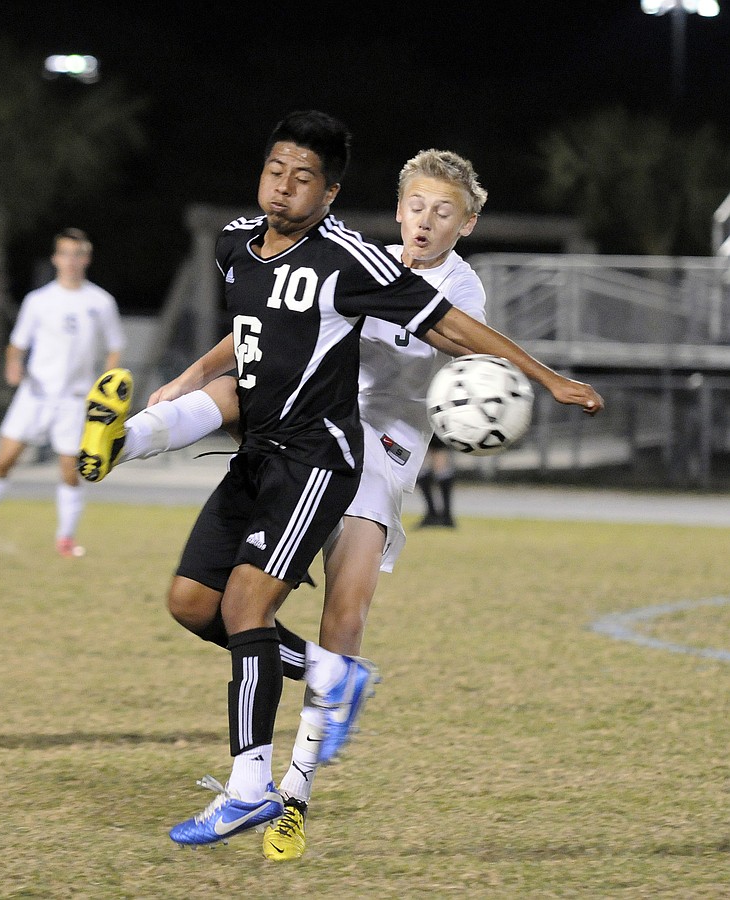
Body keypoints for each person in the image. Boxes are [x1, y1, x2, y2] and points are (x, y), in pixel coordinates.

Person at [79, 111, 604, 851]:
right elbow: (271, 319)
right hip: (311, 420)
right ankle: (121, 444)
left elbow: (454, 337)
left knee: (343, 609)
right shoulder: (351, 257)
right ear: (397, 209)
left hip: (379, 442)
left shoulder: (457, 286)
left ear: (467, 222)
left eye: (442, 211)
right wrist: (196, 371)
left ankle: (292, 789)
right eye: (416, 206)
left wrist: (534, 381)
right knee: (222, 584)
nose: (425, 220)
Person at [0, 228, 124, 558]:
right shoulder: (39, 300)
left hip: (75, 399)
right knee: (3, 461)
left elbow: (115, 349)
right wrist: (13, 366)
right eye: (65, 253)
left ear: (86, 259)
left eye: (78, 254)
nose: (71, 260)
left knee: (69, 470)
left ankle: (65, 538)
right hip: (36, 394)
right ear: (55, 258)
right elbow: (17, 345)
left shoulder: (101, 302)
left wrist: (106, 387)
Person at [415, 438, 457, 528]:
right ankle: (440, 514)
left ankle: (441, 515)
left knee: (437, 460)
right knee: (428, 464)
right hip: (434, 428)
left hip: (429, 428)